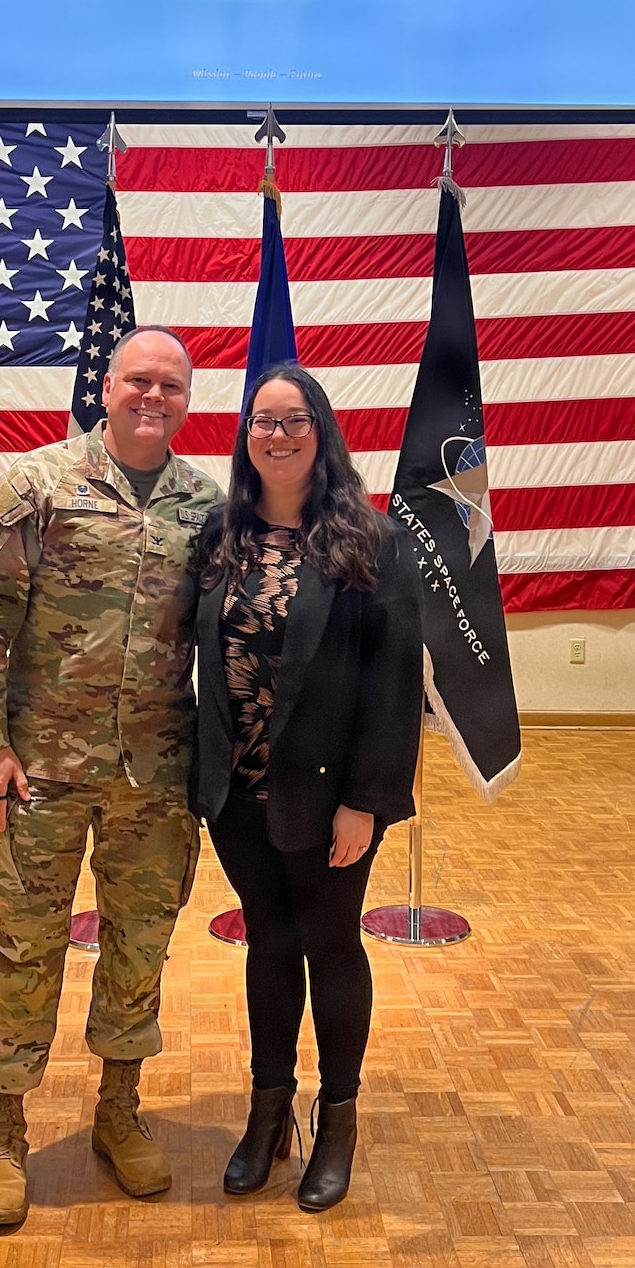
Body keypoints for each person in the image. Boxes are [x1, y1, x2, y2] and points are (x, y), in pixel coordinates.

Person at [0, 326, 221, 1228]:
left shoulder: (205, 507)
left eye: (171, 386)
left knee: (141, 943)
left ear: (187, 400)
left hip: (156, 772)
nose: (154, 397)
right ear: (107, 387)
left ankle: (119, 1111)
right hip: (42, 768)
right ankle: (3, 1130)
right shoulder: (35, 487)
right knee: (25, 945)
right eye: (139, 381)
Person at [192, 363, 424, 1211]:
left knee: (328, 946)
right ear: (245, 437)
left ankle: (338, 1118)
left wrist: (366, 799)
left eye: (294, 421)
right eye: (262, 422)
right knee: (268, 943)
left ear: (320, 432)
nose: (277, 436)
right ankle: (267, 1112)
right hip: (238, 793)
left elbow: (394, 684)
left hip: (332, 800)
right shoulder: (220, 537)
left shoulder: (371, 540)